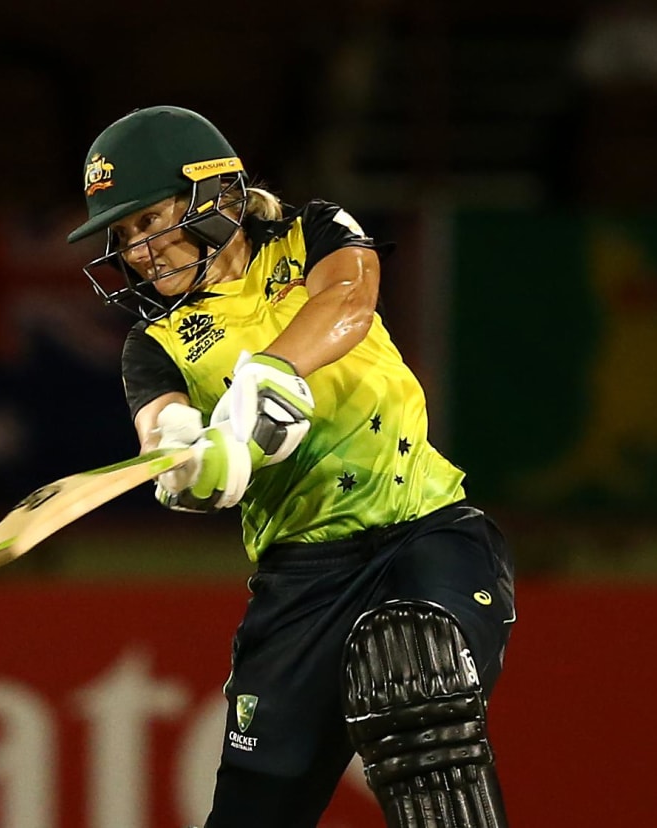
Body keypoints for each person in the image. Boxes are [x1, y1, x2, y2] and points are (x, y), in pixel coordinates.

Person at [67, 106, 518, 828]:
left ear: (209, 194)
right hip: (302, 580)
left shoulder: (313, 232)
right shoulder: (152, 344)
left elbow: (350, 300)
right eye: (123, 237)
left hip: (425, 532)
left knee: (419, 680)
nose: (138, 250)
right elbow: (161, 425)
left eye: (147, 220)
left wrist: (267, 377)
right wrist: (190, 458)